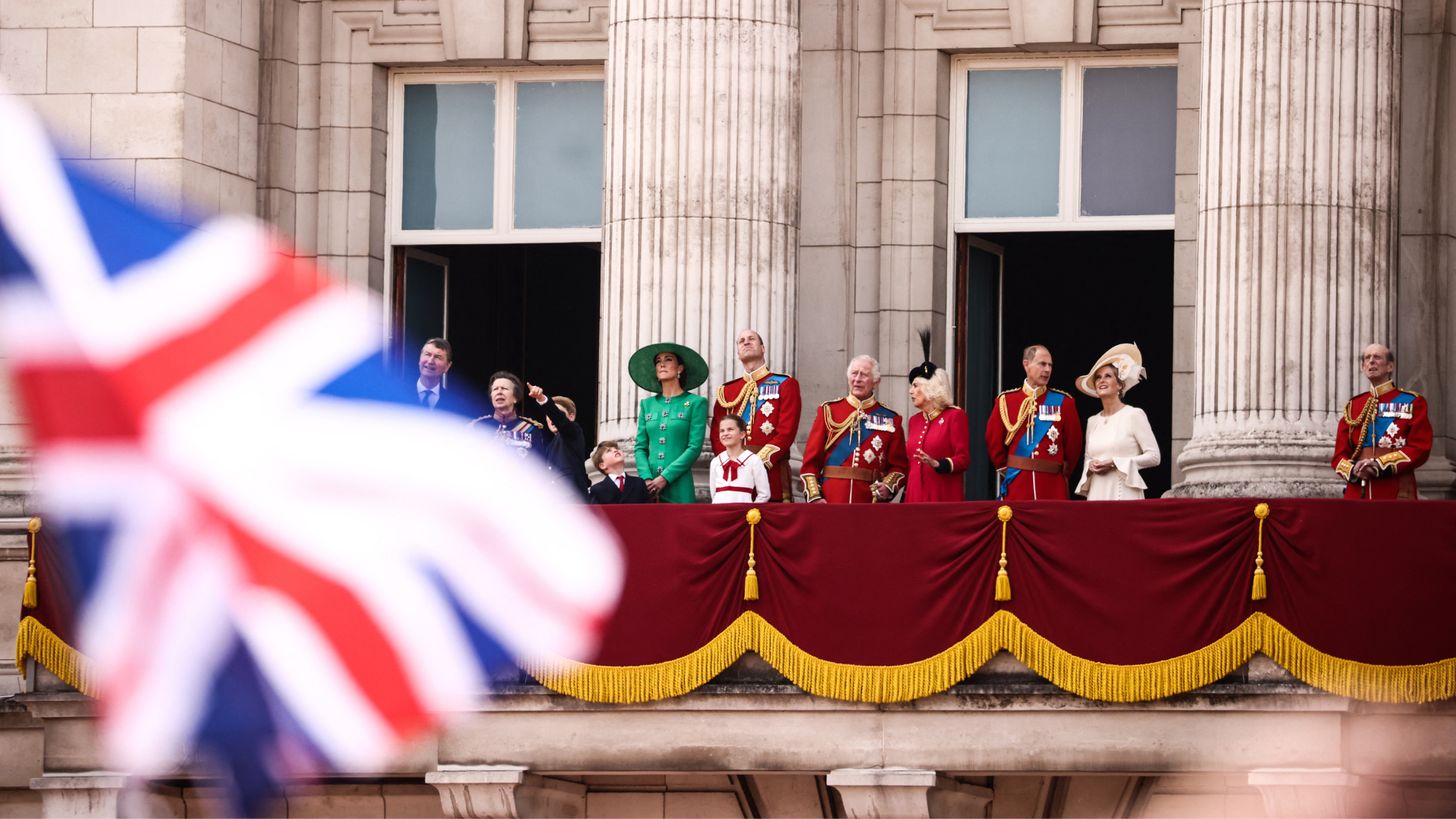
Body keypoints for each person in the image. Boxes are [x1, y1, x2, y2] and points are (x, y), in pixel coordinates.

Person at [800, 355, 909, 504]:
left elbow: (899, 466)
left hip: (869, 502)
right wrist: (815, 497)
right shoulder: (828, 411)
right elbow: (810, 462)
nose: (857, 379)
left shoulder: (891, 418)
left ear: (876, 381)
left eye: (864, 374)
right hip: (831, 499)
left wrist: (888, 486)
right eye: (854, 373)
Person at [711, 329, 802, 502]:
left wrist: (755, 464)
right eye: (741, 341)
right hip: (733, 476)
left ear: (762, 348)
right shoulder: (727, 391)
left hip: (771, 472)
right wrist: (732, 463)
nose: (746, 342)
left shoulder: (786, 384)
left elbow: (786, 432)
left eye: (751, 339)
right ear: (738, 353)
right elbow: (717, 433)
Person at [1332, 343, 1432, 499]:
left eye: (1377, 357)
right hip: (1358, 490)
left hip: (1395, 487)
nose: (1371, 361)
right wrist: (1353, 470)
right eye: (1367, 358)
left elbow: (1420, 448)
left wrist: (1380, 464)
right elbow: (1339, 456)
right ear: (1363, 367)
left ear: (1390, 367)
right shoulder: (1354, 406)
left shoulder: (1412, 402)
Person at [985, 345, 1083, 500]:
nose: (1047, 370)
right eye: (1042, 364)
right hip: (1018, 483)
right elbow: (994, 440)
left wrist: (1060, 470)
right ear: (1026, 365)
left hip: (1052, 486)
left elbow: (1074, 445)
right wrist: (1008, 468)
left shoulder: (1064, 402)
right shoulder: (1006, 400)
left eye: (1050, 365)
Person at [1073, 343, 1161, 500]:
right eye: (1098, 377)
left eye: (1108, 376)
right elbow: (1088, 457)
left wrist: (1115, 462)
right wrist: (1090, 465)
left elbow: (1154, 457)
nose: (1101, 380)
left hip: (1124, 493)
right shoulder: (1092, 421)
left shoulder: (1134, 415)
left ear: (1120, 384)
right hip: (1097, 493)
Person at [631, 342, 710, 503]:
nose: (662, 364)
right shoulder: (647, 405)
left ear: (680, 368)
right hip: (649, 486)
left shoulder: (696, 403)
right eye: (658, 361)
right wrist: (646, 478)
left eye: (668, 359)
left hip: (679, 484)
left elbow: (694, 447)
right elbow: (640, 447)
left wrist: (665, 477)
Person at [904, 331, 970, 503]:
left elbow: (963, 459)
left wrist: (938, 464)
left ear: (931, 388)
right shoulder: (914, 421)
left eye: (916, 386)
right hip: (914, 497)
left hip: (942, 496)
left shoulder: (955, 416)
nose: (911, 391)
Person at [529, 385, 590, 497]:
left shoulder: (574, 432)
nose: (551, 418)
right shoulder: (550, 445)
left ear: (571, 417)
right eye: (548, 415)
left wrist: (542, 399)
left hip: (573, 500)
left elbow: (559, 419)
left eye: (557, 413)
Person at [469, 371, 545, 459]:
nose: (499, 392)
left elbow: (539, 466)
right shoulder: (477, 427)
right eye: (495, 389)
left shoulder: (530, 429)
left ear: (515, 398)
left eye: (504, 388)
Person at [709, 416, 770, 503]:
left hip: (743, 512)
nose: (725, 433)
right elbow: (713, 493)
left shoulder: (753, 460)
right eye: (722, 431)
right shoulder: (716, 461)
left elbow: (764, 494)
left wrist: (751, 511)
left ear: (742, 434)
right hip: (719, 511)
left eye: (730, 429)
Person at [411, 337, 471, 415]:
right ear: (419, 359)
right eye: (427, 354)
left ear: (447, 366)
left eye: (437, 357)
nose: (430, 361)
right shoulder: (398, 393)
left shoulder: (456, 405)